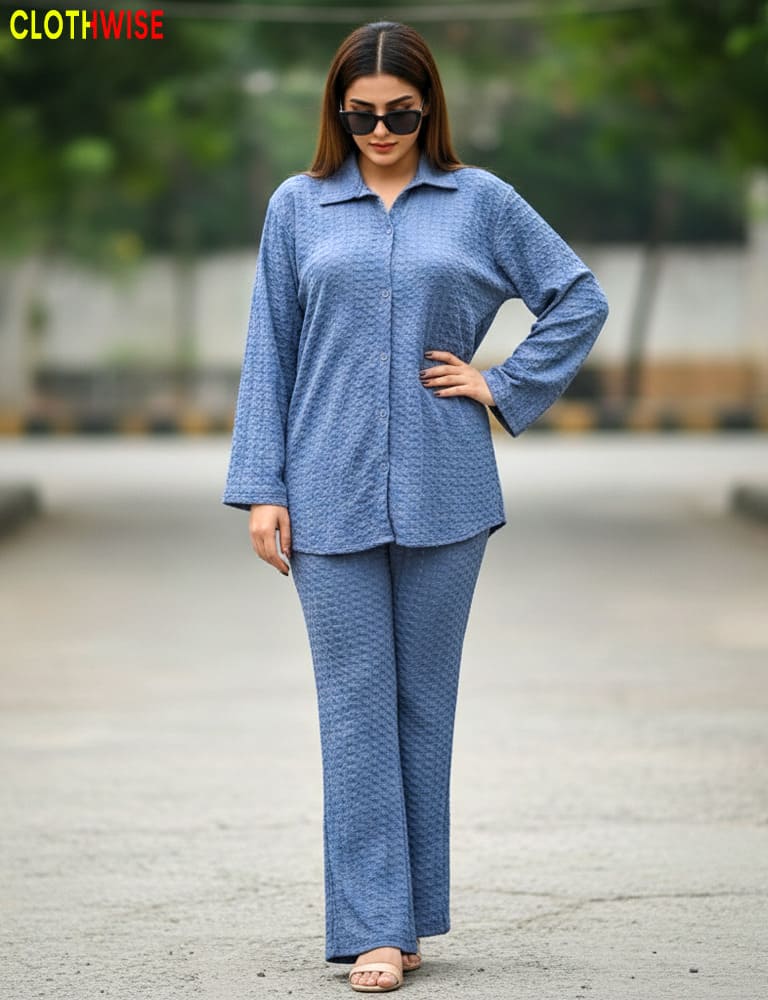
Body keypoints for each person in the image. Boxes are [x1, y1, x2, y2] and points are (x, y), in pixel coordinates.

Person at [222, 19, 609, 994]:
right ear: (337, 112)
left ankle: (406, 917)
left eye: (400, 113)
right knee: (354, 706)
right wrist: (262, 486)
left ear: (429, 107)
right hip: (325, 490)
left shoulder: (481, 202)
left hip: (448, 491)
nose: (382, 131)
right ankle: (373, 930)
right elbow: (270, 348)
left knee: (422, 707)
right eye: (362, 114)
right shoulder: (298, 207)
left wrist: (502, 384)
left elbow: (578, 297)